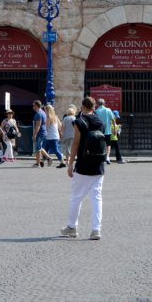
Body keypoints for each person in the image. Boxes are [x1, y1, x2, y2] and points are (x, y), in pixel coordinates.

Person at [61, 96, 108, 240]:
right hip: (98, 165)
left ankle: (72, 227)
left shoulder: (79, 121)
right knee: (97, 198)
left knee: (76, 197)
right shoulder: (100, 122)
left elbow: (75, 143)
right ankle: (96, 230)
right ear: (94, 107)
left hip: (83, 163)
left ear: (82, 107)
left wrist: (70, 163)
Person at [94, 99, 121, 164]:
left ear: (97, 104)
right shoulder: (108, 110)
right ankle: (107, 157)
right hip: (107, 131)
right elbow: (113, 120)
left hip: (98, 131)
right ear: (104, 103)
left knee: (99, 144)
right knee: (108, 145)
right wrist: (114, 129)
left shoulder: (96, 111)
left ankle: (100, 157)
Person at [32, 100, 47, 167]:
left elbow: (38, 125)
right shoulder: (43, 112)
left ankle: (37, 163)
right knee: (39, 147)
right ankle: (48, 157)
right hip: (43, 132)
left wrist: (34, 135)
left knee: (37, 148)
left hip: (40, 133)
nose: (33, 107)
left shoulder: (38, 114)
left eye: (33, 105)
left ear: (36, 106)